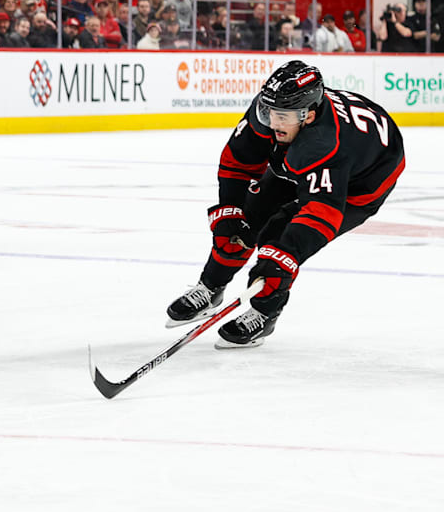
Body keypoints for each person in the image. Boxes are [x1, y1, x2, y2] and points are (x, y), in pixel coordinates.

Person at [165, 61, 405, 348]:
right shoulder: (270, 110)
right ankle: (211, 286)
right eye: (269, 113)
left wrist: (282, 257)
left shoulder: (323, 142)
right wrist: (231, 208)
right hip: (304, 160)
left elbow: (321, 213)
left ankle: (265, 313)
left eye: (282, 117)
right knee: (242, 223)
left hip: (360, 184)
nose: (272, 122)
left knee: (278, 241)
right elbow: (236, 162)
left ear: (308, 115)